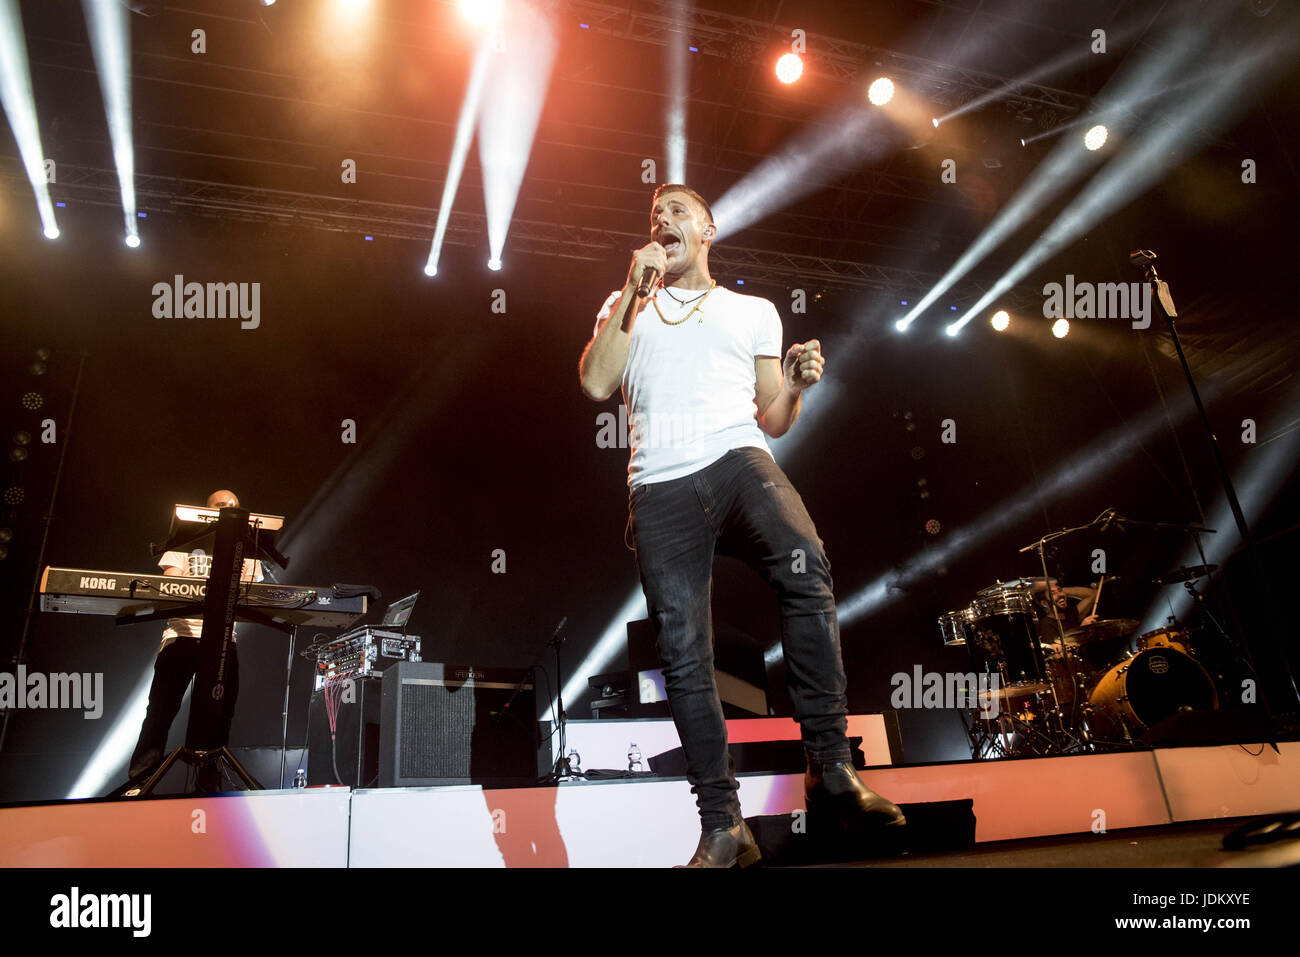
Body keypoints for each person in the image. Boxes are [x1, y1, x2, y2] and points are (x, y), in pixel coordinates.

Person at [578, 184, 905, 868]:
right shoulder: (627, 303)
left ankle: (830, 767)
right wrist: (631, 293)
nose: (663, 220)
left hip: (736, 459)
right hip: (659, 482)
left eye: (677, 212)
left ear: (708, 229)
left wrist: (797, 385)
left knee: (804, 560)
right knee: (684, 653)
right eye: (654, 215)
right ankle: (724, 825)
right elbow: (596, 383)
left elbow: (774, 419)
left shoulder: (752, 310)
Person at [126, 489, 262, 791]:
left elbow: (250, 593)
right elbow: (170, 586)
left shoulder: (249, 548)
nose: (227, 509)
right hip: (183, 636)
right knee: (160, 711)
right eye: (220, 505)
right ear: (206, 510)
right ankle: (140, 782)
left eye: (233, 506)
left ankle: (208, 784)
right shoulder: (185, 542)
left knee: (220, 715)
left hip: (224, 641)